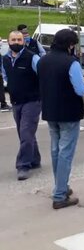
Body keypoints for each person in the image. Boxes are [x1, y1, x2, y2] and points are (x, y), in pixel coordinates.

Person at [37, 29, 84, 209]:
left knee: (55, 150)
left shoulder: (42, 60)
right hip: (69, 112)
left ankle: (61, 186)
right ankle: (59, 195)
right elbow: (80, 90)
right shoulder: (71, 63)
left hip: (50, 110)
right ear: (71, 45)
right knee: (66, 152)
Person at [1, 31, 41, 180]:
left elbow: (41, 75)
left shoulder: (32, 57)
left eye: (19, 39)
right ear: (8, 41)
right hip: (16, 101)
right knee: (25, 133)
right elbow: (6, 77)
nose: (16, 42)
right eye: (13, 40)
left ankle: (23, 165)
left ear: (24, 41)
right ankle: (35, 159)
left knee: (25, 133)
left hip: (32, 101)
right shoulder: (5, 59)